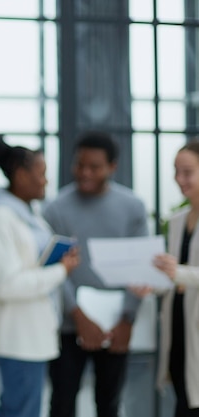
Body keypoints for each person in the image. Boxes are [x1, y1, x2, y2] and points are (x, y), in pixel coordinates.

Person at [42, 131, 149, 417]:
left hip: (116, 325)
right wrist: (78, 316)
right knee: (62, 403)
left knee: (110, 404)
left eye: (95, 167)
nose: (85, 172)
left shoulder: (133, 207)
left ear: (112, 167)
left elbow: (141, 267)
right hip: (68, 325)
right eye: (80, 165)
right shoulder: (56, 208)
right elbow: (54, 268)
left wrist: (127, 319)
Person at [0, 136, 80, 417]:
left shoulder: (27, 215)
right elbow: (7, 285)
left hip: (32, 335)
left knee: (22, 408)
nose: (46, 181)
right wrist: (61, 270)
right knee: (19, 410)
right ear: (20, 175)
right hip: (16, 336)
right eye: (41, 173)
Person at [153, 140, 199, 417]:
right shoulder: (178, 220)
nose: (178, 179)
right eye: (175, 171)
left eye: (187, 171)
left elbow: (180, 272)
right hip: (180, 331)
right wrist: (152, 282)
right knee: (183, 401)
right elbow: (173, 279)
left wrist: (176, 272)